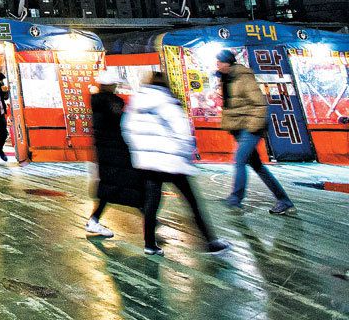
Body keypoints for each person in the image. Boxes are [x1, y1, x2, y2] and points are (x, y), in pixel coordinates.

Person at [122, 72, 229, 256]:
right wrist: (187, 153)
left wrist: (141, 151)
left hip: (149, 162)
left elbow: (127, 129)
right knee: (192, 201)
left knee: (152, 203)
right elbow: (181, 130)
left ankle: (149, 244)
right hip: (171, 160)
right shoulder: (166, 101)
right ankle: (209, 241)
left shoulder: (136, 102)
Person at [217, 50, 294, 215]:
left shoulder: (243, 78)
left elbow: (260, 104)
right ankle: (284, 200)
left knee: (239, 160)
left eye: (219, 62)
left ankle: (236, 198)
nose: (217, 65)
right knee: (257, 166)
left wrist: (253, 127)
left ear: (227, 63)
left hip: (250, 127)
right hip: (239, 127)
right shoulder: (227, 79)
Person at [85, 69, 145, 238]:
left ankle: (94, 219)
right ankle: (147, 213)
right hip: (117, 149)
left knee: (111, 185)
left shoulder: (95, 101)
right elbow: (123, 124)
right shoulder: (114, 102)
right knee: (130, 182)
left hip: (104, 150)